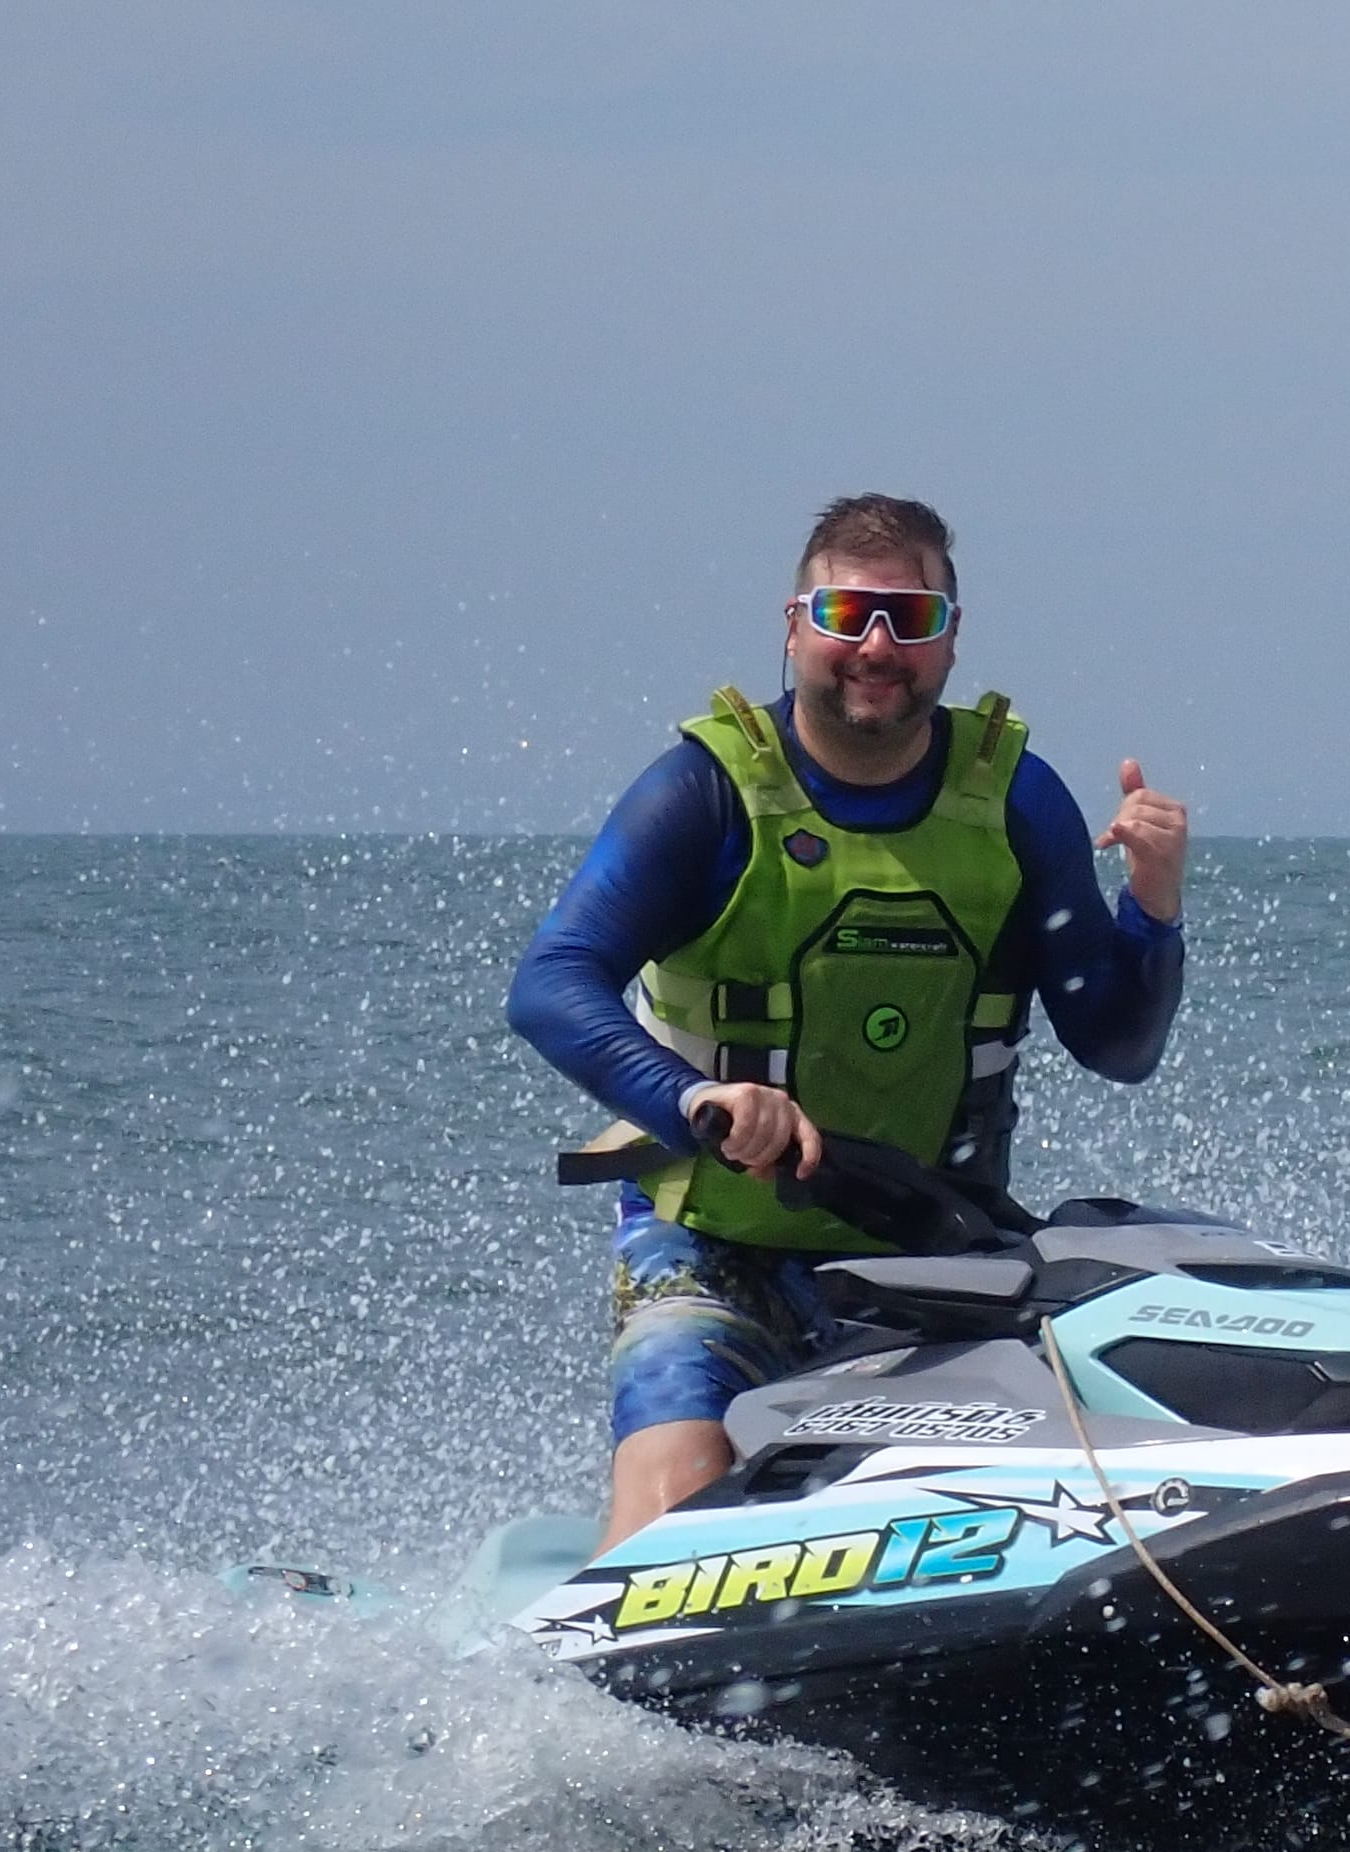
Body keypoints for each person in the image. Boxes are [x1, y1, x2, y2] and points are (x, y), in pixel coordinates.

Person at [507, 493, 1187, 1543]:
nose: (876, 647)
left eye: (909, 619)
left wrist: (1153, 907)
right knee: (677, 1494)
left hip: (944, 1257)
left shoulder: (1018, 804)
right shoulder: (703, 795)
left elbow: (1116, 1043)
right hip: (710, 1248)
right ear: (794, 628)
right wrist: (697, 1098)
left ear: (950, 641)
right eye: (846, 614)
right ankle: (621, 1625)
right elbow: (550, 983)